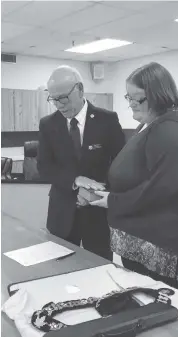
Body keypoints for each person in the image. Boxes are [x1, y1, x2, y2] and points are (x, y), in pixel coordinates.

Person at [91, 62, 178, 292]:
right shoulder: (153, 123)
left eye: (137, 99)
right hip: (150, 239)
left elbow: (163, 188)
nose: (130, 105)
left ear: (159, 96)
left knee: (158, 309)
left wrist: (113, 201)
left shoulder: (171, 131)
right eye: (128, 97)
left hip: (165, 248)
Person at [37, 65, 125, 260]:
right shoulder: (48, 124)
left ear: (80, 89)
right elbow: (44, 167)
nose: (59, 105)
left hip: (98, 212)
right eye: (53, 99)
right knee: (60, 270)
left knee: (100, 270)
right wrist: (75, 180)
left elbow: (121, 165)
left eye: (63, 98)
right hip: (62, 214)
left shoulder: (107, 120)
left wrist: (94, 192)